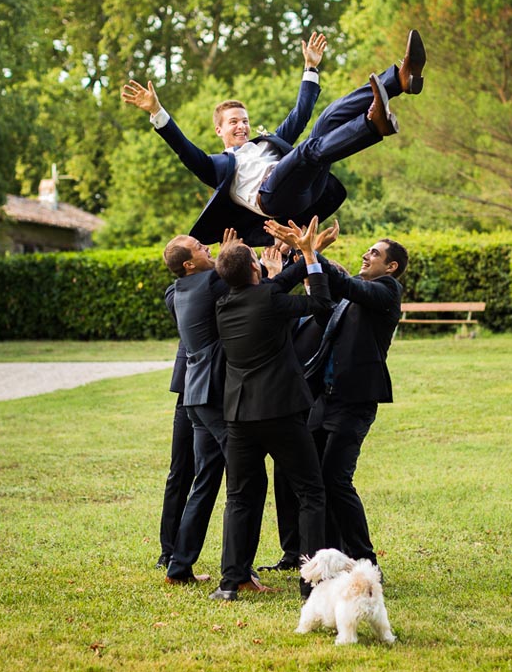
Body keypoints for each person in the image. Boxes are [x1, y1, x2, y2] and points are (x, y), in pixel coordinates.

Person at [121, 30, 426, 246]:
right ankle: (373, 125)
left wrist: (310, 67)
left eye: (245, 121)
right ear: (219, 130)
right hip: (273, 198)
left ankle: (400, 78)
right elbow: (184, 150)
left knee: (326, 118)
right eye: (233, 123)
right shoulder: (217, 167)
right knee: (308, 149)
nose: (241, 126)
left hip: (307, 187)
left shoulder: (269, 143)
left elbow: (301, 112)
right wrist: (157, 110)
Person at [264, 221, 408, 568]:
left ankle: (365, 561)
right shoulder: (351, 295)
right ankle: (309, 556)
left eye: (374, 252)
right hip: (323, 400)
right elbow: (325, 294)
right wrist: (303, 253)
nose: (366, 254)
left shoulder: (386, 291)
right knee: (306, 478)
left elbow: (342, 283)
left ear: (391, 267)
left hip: (354, 402)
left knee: (335, 479)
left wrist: (311, 251)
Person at [208, 217, 334, 601]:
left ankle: (230, 582)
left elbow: (275, 284)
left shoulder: (223, 304)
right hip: (281, 411)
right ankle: (311, 584)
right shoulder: (268, 297)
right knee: (311, 493)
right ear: (253, 268)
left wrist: (309, 252)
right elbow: (320, 303)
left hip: (240, 415)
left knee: (240, 498)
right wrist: (309, 255)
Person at [160, 230, 239, 585]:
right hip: (213, 397)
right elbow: (249, 282)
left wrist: (219, 260)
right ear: (189, 264)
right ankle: (236, 570)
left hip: (195, 397)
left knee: (205, 482)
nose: (206, 247)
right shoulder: (209, 284)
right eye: (199, 248)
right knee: (242, 479)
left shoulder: (181, 289)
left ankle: (179, 567)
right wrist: (229, 257)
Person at [154, 337, 195, 570]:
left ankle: (238, 560)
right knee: (179, 472)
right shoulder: (185, 298)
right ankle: (168, 550)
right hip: (189, 381)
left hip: (230, 378)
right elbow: (173, 301)